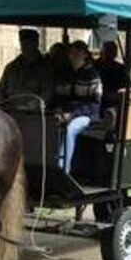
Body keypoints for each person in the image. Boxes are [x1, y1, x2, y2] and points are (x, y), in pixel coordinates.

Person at [54, 40, 102, 173]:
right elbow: (60, 97)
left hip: (88, 116)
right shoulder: (66, 74)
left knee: (70, 128)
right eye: (71, 53)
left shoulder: (92, 75)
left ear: (85, 55)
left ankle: (63, 168)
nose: (73, 56)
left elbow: (94, 104)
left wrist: (72, 115)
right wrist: (59, 110)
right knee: (50, 124)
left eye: (77, 54)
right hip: (66, 113)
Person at [0, 29, 56, 110]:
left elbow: (47, 95)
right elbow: (0, 90)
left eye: (28, 43)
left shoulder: (45, 69)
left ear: (36, 44)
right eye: (23, 43)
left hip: (34, 115)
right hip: (10, 112)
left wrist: (30, 107)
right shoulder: (11, 68)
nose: (25, 46)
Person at [96, 41, 130, 109]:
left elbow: (127, 85)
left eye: (112, 51)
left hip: (116, 101)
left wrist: (117, 95)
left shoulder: (120, 68)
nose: (109, 54)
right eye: (107, 51)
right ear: (102, 53)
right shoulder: (95, 67)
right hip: (98, 100)